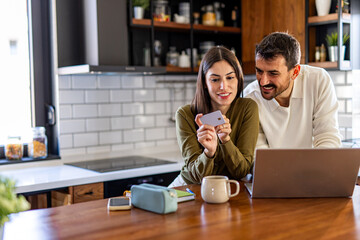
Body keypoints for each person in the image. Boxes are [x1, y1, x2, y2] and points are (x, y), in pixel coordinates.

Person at [169, 46, 259, 187]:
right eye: (215, 80)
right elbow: (196, 176)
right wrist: (208, 152)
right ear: (205, 82)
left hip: (227, 188)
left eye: (230, 77)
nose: (223, 86)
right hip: (189, 187)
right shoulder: (185, 114)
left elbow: (241, 171)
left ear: (238, 79)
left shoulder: (247, 108)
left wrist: (225, 141)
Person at [243, 32, 342, 148]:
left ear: (295, 72)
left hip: (314, 165)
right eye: (259, 71)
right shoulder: (251, 97)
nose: (263, 82)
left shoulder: (318, 81)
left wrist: (316, 165)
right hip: (273, 166)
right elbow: (258, 152)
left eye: (273, 73)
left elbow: (328, 137)